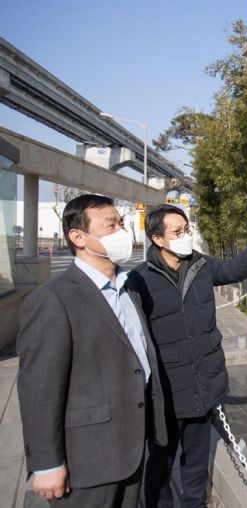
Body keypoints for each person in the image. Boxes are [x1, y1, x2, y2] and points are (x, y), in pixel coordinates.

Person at [16, 194, 167, 506]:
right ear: (78, 237)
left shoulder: (130, 287)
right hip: (89, 460)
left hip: (133, 445)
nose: (121, 232)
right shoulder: (54, 299)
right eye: (110, 225)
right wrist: (47, 463)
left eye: (122, 224)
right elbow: (39, 389)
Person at [133, 204, 247, 508]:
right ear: (158, 239)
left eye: (187, 230)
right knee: (159, 468)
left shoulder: (200, 265)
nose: (185, 236)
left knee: (195, 464)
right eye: (178, 232)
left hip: (203, 387)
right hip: (165, 395)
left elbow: (232, 270)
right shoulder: (138, 282)